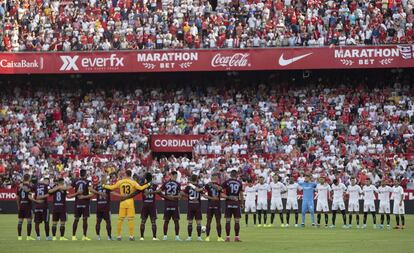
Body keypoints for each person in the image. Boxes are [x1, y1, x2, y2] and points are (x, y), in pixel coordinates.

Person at [103, 170, 151, 241]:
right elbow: (140, 188)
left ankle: (118, 236)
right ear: (130, 175)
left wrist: (104, 185)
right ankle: (131, 236)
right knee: (130, 219)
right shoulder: (133, 182)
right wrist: (148, 184)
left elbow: (111, 187)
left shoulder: (120, 182)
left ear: (125, 174)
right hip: (130, 201)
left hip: (122, 201)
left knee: (120, 219)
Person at [72, 169, 103, 241]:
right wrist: (99, 193)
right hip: (85, 203)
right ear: (85, 174)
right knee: (85, 220)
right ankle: (84, 236)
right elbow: (91, 190)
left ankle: (73, 236)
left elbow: (69, 187)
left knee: (76, 219)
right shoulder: (87, 182)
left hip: (77, 203)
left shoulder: (76, 181)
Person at [222, 169, 243, 242]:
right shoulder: (239, 183)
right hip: (236, 202)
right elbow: (241, 194)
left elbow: (220, 191)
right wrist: (241, 203)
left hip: (228, 202)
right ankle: (237, 237)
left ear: (230, 175)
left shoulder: (227, 182)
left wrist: (227, 196)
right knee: (237, 221)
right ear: (237, 175)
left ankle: (227, 237)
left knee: (228, 220)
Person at [160, 171, 182, 241]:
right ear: (171, 175)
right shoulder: (178, 184)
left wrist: (165, 196)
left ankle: (165, 236)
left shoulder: (165, 183)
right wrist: (175, 196)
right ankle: (177, 237)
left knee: (166, 221)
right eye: (175, 176)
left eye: (176, 176)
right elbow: (180, 196)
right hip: (174, 204)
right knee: (176, 221)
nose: (176, 178)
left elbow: (159, 191)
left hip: (167, 204)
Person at [182, 174, 204, 241]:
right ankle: (199, 237)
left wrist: (188, 197)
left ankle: (189, 237)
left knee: (190, 222)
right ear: (197, 179)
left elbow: (182, 193)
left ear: (191, 179)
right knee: (199, 222)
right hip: (197, 205)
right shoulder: (200, 186)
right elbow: (203, 194)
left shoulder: (188, 187)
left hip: (190, 205)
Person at [203, 173, 224, 241]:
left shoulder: (207, 185)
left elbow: (202, 193)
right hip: (217, 205)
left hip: (210, 205)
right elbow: (221, 194)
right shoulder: (219, 185)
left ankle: (207, 237)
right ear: (216, 178)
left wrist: (209, 197)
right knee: (218, 221)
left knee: (209, 221)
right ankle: (219, 237)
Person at [95, 176, 115, 240]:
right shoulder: (107, 187)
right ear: (105, 181)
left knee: (98, 222)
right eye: (106, 179)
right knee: (108, 222)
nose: (106, 180)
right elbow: (113, 191)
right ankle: (109, 237)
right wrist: (122, 196)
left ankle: (98, 236)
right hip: (106, 207)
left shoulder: (97, 187)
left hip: (99, 206)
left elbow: (92, 193)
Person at [16, 174, 35, 240]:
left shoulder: (19, 187)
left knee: (20, 221)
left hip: (21, 204)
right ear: (29, 178)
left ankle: (19, 237)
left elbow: (17, 197)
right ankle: (28, 237)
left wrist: (18, 206)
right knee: (29, 221)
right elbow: (30, 196)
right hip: (27, 205)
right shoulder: (30, 186)